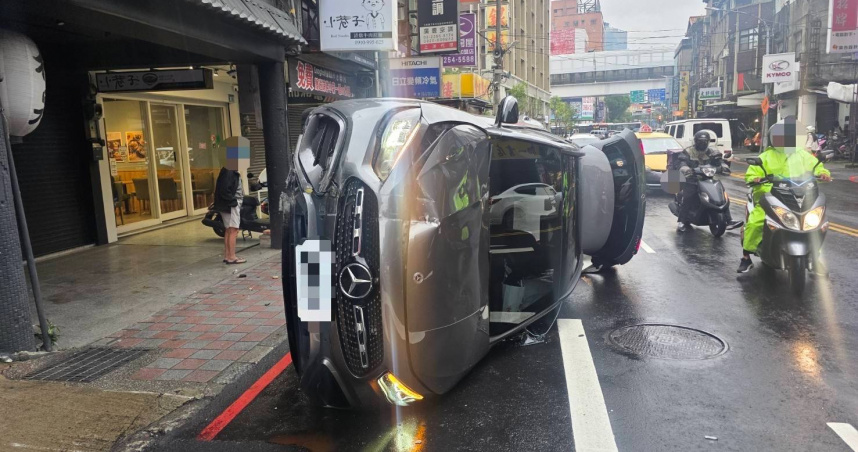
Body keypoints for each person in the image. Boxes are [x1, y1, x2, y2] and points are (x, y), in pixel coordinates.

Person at [737, 117, 832, 273]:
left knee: (814, 224)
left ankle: (814, 258)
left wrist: (823, 173)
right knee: (756, 222)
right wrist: (755, 178)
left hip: (798, 195)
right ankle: (746, 257)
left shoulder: (802, 155)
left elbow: (817, 167)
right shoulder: (766, 156)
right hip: (770, 196)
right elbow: (752, 174)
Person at [675, 130, 743, 232]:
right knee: (689, 196)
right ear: (696, 141)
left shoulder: (711, 151)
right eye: (700, 141)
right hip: (692, 179)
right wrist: (685, 168)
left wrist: (723, 166)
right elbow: (682, 162)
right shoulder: (688, 151)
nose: (702, 143)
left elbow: (719, 162)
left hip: (708, 178)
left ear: (708, 142)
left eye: (705, 141)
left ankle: (729, 220)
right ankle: (682, 221)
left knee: (721, 195)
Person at [214, 167, 246, 264]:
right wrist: (233, 202)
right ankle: (231, 256)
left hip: (227, 205)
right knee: (233, 230)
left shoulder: (229, 171)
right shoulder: (230, 172)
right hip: (230, 206)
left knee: (228, 230)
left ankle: (228, 255)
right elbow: (224, 190)